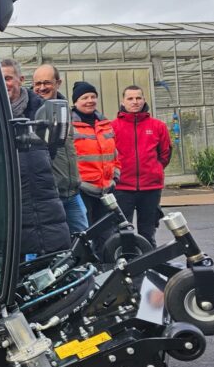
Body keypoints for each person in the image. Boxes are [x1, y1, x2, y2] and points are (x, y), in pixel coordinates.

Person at [1, 58, 70, 256]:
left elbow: (52, 148)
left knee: (52, 251)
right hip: (9, 198)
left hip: (43, 194)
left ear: (20, 79)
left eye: (8, 78)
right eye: (0, 78)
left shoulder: (41, 109)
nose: (4, 83)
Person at [111, 85, 172, 246]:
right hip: (123, 188)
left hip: (150, 188)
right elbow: (109, 155)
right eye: (130, 98)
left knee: (148, 232)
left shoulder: (158, 126)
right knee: (123, 231)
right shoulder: (113, 127)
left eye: (138, 98)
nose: (135, 102)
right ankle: (126, 264)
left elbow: (165, 153)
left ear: (144, 100)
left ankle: (149, 264)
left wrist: (154, 169)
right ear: (122, 102)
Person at [32, 63, 88, 234]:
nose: (42, 88)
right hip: (49, 194)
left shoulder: (64, 111)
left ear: (58, 83)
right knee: (49, 241)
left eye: (47, 83)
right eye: (38, 84)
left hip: (72, 192)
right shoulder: (31, 112)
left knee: (83, 239)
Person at [71, 81, 120, 227]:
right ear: (76, 102)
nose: (90, 101)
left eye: (93, 97)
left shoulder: (105, 124)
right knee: (85, 232)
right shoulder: (69, 126)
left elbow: (114, 154)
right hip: (82, 190)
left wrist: (115, 176)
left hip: (106, 190)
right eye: (84, 98)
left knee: (106, 233)